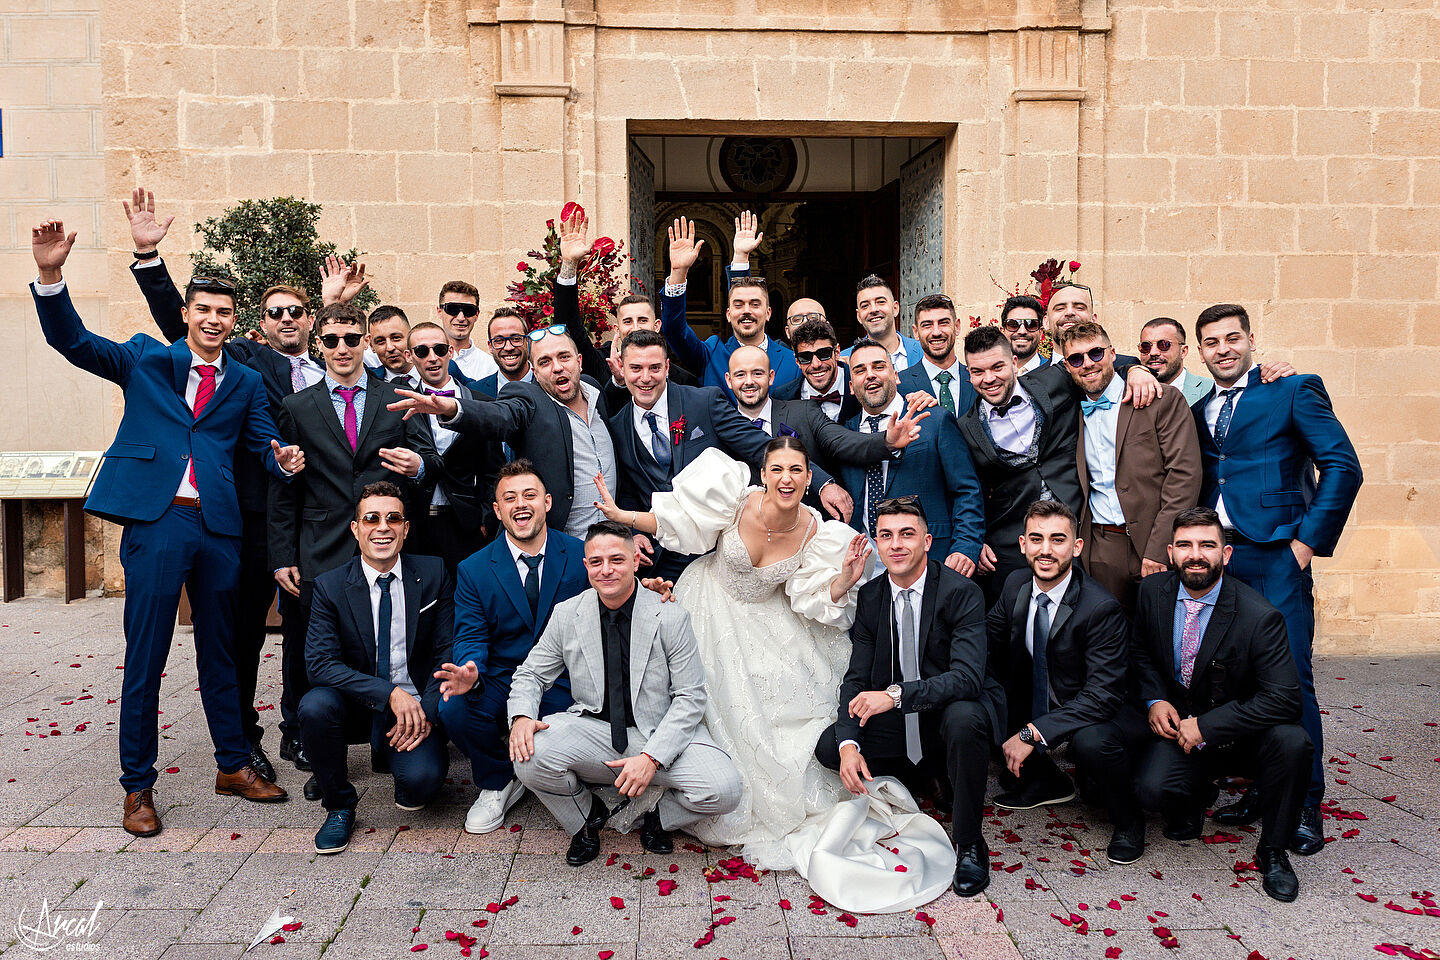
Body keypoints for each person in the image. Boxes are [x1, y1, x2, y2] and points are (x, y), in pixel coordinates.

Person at [30, 219, 299, 835]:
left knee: (222, 653)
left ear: (235, 320)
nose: (214, 320)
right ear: (186, 314)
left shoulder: (247, 381)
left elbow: (262, 444)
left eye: (224, 312)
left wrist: (281, 458)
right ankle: (138, 787)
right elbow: (74, 341)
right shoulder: (146, 359)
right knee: (147, 655)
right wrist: (50, 274)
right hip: (159, 522)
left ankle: (232, 765)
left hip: (220, 528)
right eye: (203, 309)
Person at [592, 439, 873, 869]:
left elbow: (812, 595)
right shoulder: (736, 498)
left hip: (773, 621)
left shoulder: (817, 532)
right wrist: (622, 516)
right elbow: (679, 521)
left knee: (782, 708)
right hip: (707, 604)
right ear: (763, 474)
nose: (786, 479)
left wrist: (844, 580)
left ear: (808, 479)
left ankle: (721, 795)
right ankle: (670, 780)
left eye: (796, 471)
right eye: (777, 469)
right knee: (690, 699)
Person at [124, 186, 324, 782]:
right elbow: (183, 323)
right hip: (250, 520)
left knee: (305, 635)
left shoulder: (338, 362)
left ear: (312, 320)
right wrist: (149, 261)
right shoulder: (245, 362)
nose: (287, 319)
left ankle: (296, 731)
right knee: (238, 639)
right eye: (275, 313)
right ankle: (240, 742)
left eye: (297, 312)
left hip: (315, 525)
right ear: (258, 324)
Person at [1190, 303, 1362, 855]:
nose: (1223, 349)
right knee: (1239, 681)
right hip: (1219, 560)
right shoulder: (1198, 408)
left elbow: (1343, 465)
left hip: (1276, 555)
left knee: (1290, 677)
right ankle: (1263, 787)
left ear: (1250, 339)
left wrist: (1306, 544)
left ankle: (1306, 802)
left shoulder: (1292, 389)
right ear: (1199, 351)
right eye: (1211, 341)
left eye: (1232, 338)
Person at [270, 302, 440, 794]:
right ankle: (317, 751)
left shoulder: (397, 396)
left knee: (385, 639)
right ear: (318, 345)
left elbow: (429, 459)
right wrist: (283, 556)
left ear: (366, 341)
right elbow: (283, 486)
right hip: (320, 547)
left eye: (350, 339)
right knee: (309, 653)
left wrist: (418, 467)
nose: (341, 348)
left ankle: (386, 733)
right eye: (331, 340)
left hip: (385, 541)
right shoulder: (297, 407)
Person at [507, 521, 743, 866]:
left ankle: (657, 816)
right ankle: (586, 817)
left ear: (635, 561)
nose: (606, 569)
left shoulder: (670, 616)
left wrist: (652, 758)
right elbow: (530, 674)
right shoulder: (567, 614)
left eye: (616, 560)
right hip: (595, 730)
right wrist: (521, 717)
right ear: (586, 566)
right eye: (596, 561)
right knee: (526, 754)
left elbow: (691, 697)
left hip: (659, 731)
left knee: (725, 789)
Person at [815, 498, 1002, 898]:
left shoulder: (961, 593)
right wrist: (849, 745)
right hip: (902, 722)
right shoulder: (871, 597)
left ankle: (970, 841)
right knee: (830, 747)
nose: (896, 544)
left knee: (965, 719)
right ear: (877, 544)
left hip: (946, 714)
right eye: (886, 535)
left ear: (927, 542)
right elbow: (856, 678)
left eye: (907, 534)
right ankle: (924, 775)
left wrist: (895, 695)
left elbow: (967, 679)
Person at [1130, 507, 1313, 902]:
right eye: (1185, 545)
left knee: (1293, 742)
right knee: (1150, 791)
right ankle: (1197, 796)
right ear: (1171, 552)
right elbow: (1141, 653)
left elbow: (1285, 699)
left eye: (1207, 545)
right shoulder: (1151, 592)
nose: (1196, 555)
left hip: (1240, 736)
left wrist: (1208, 726)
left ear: (1225, 554)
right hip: (1180, 730)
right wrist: (1154, 699)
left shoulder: (1259, 616)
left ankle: (1273, 850)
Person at [607, 329, 853, 580]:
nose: (645, 378)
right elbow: (629, 489)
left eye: (655, 368)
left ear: (667, 367)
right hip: (660, 556)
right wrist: (634, 533)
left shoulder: (703, 401)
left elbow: (760, 445)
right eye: (636, 368)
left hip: (717, 551)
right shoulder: (617, 426)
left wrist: (823, 483)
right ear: (622, 369)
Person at [432, 461, 590, 833]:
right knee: (454, 708)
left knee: (572, 731)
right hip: (502, 675)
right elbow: (470, 634)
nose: (520, 504)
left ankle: (549, 769)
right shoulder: (474, 569)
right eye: (509, 498)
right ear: (498, 510)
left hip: (562, 678)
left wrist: (644, 591)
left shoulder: (581, 555)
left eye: (529, 495)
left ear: (547, 502)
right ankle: (498, 780)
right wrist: (470, 668)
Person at [302, 483, 453, 854]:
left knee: (422, 783)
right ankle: (338, 805)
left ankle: (397, 760)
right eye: (371, 519)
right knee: (314, 706)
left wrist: (427, 712)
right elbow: (320, 663)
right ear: (356, 529)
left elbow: (446, 651)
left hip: (414, 705)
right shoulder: (330, 586)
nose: (382, 527)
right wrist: (389, 694)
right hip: (356, 703)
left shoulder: (433, 573)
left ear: (406, 528)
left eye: (393, 518)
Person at [986, 501, 1136, 858]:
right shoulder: (1015, 583)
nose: (1046, 550)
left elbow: (1102, 697)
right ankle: (1049, 782)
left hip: (1097, 710)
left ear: (1077, 546)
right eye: (1037, 539)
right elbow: (986, 641)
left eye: (1058, 539)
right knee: (982, 701)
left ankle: (1129, 822)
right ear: (1023, 544)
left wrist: (1031, 733)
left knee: (1091, 745)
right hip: (1040, 694)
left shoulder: (1100, 608)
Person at [396, 326, 619, 541]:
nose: (557, 367)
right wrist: (454, 408)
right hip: (563, 543)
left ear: (579, 361)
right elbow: (499, 415)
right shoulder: (529, 400)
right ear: (535, 372)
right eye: (545, 362)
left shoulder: (594, 390)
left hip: (614, 539)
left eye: (564, 357)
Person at [1058, 321, 1202, 614]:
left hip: (1155, 541)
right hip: (1100, 546)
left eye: (1095, 353)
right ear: (1067, 366)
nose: (1088, 364)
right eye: (1076, 359)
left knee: (1160, 632)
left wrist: (1160, 546)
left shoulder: (1160, 398)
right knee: (1107, 631)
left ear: (1113, 354)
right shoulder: (1071, 409)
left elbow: (1184, 476)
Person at [957, 325, 1088, 604]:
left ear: (1015, 363)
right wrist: (976, 540)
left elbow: (1104, 367)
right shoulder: (966, 428)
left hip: (1079, 526)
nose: (989, 379)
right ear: (968, 374)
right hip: (1009, 542)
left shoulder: (1056, 380)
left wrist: (1136, 371)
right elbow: (968, 490)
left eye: (997, 367)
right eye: (978, 371)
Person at [838, 338, 985, 576]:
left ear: (896, 376)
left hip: (933, 561)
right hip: (866, 569)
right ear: (851, 386)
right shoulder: (845, 433)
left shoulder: (934, 420)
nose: (870, 375)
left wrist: (966, 547)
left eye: (878, 366)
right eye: (860, 370)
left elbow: (966, 490)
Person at [724, 343, 926, 481]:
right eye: (740, 375)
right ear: (728, 380)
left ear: (771, 377)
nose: (749, 381)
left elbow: (844, 441)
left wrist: (887, 441)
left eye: (757, 373)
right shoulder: (721, 427)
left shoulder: (804, 411)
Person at [660, 216, 800, 400]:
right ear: (728, 314)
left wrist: (741, 257)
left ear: (768, 313)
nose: (746, 311)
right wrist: (678, 272)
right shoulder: (711, 355)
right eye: (738, 305)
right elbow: (674, 330)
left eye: (755, 304)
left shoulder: (793, 362)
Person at [406, 321, 501, 571]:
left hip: (467, 525)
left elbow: (494, 471)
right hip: (417, 526)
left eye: (439, 349)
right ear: (409, 356)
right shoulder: (401, 403)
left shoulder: (481, 403)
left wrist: (486, 519)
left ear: (450, 351)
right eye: (422, 351)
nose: (432, 357)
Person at [898, 294, 975, 418]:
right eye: (927, 325)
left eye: (943, 323)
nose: (936, 332)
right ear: (916, 332)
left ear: (957, 327)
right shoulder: (900, 385)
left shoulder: (977, 379)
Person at [773, 317, 860, 423]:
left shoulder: (862, 385)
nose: (816, 364)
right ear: (797, 361)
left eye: (824, 354)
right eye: (805, 357)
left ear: (837, 353)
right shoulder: (782, 397)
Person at [843, 275, 923, 370]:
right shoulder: (844, 362)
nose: (873, 309)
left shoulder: (924, 350)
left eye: (880, 302)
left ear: (895, 308)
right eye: (865, 306)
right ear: (859, 316)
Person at [1138, 317, 1213, 406]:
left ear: (1183, 351)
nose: (1153, 353)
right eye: (1145, 346)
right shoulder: (1131, 391)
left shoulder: (1211, 390)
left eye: (1164, 345)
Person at [437, 280, 500, 382]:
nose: (461, 318)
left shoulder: (492, 367)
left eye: (469, 310)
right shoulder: (422, 363)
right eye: (452, 309)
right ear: (439, 311)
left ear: (477, 314)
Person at [473, 307, 533, 395]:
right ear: (490, 346)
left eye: (516, 339)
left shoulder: (549, 387)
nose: (508, 348)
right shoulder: (475, 392)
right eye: (499, 341)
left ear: (528, 342)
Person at [364, 305, 420, 389]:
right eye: (380, 341)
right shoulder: (368, 382)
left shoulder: (438, 373)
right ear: (372, 346)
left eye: (396, 338)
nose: (390, 348)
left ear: (411, 338)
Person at [1000, 295, 1048, 376]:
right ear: (1003, 332)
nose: (1022, 331)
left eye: (1031, 324)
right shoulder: (985, 376)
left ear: (1041, 332)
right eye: (1013, 324)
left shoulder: (1058, 375)